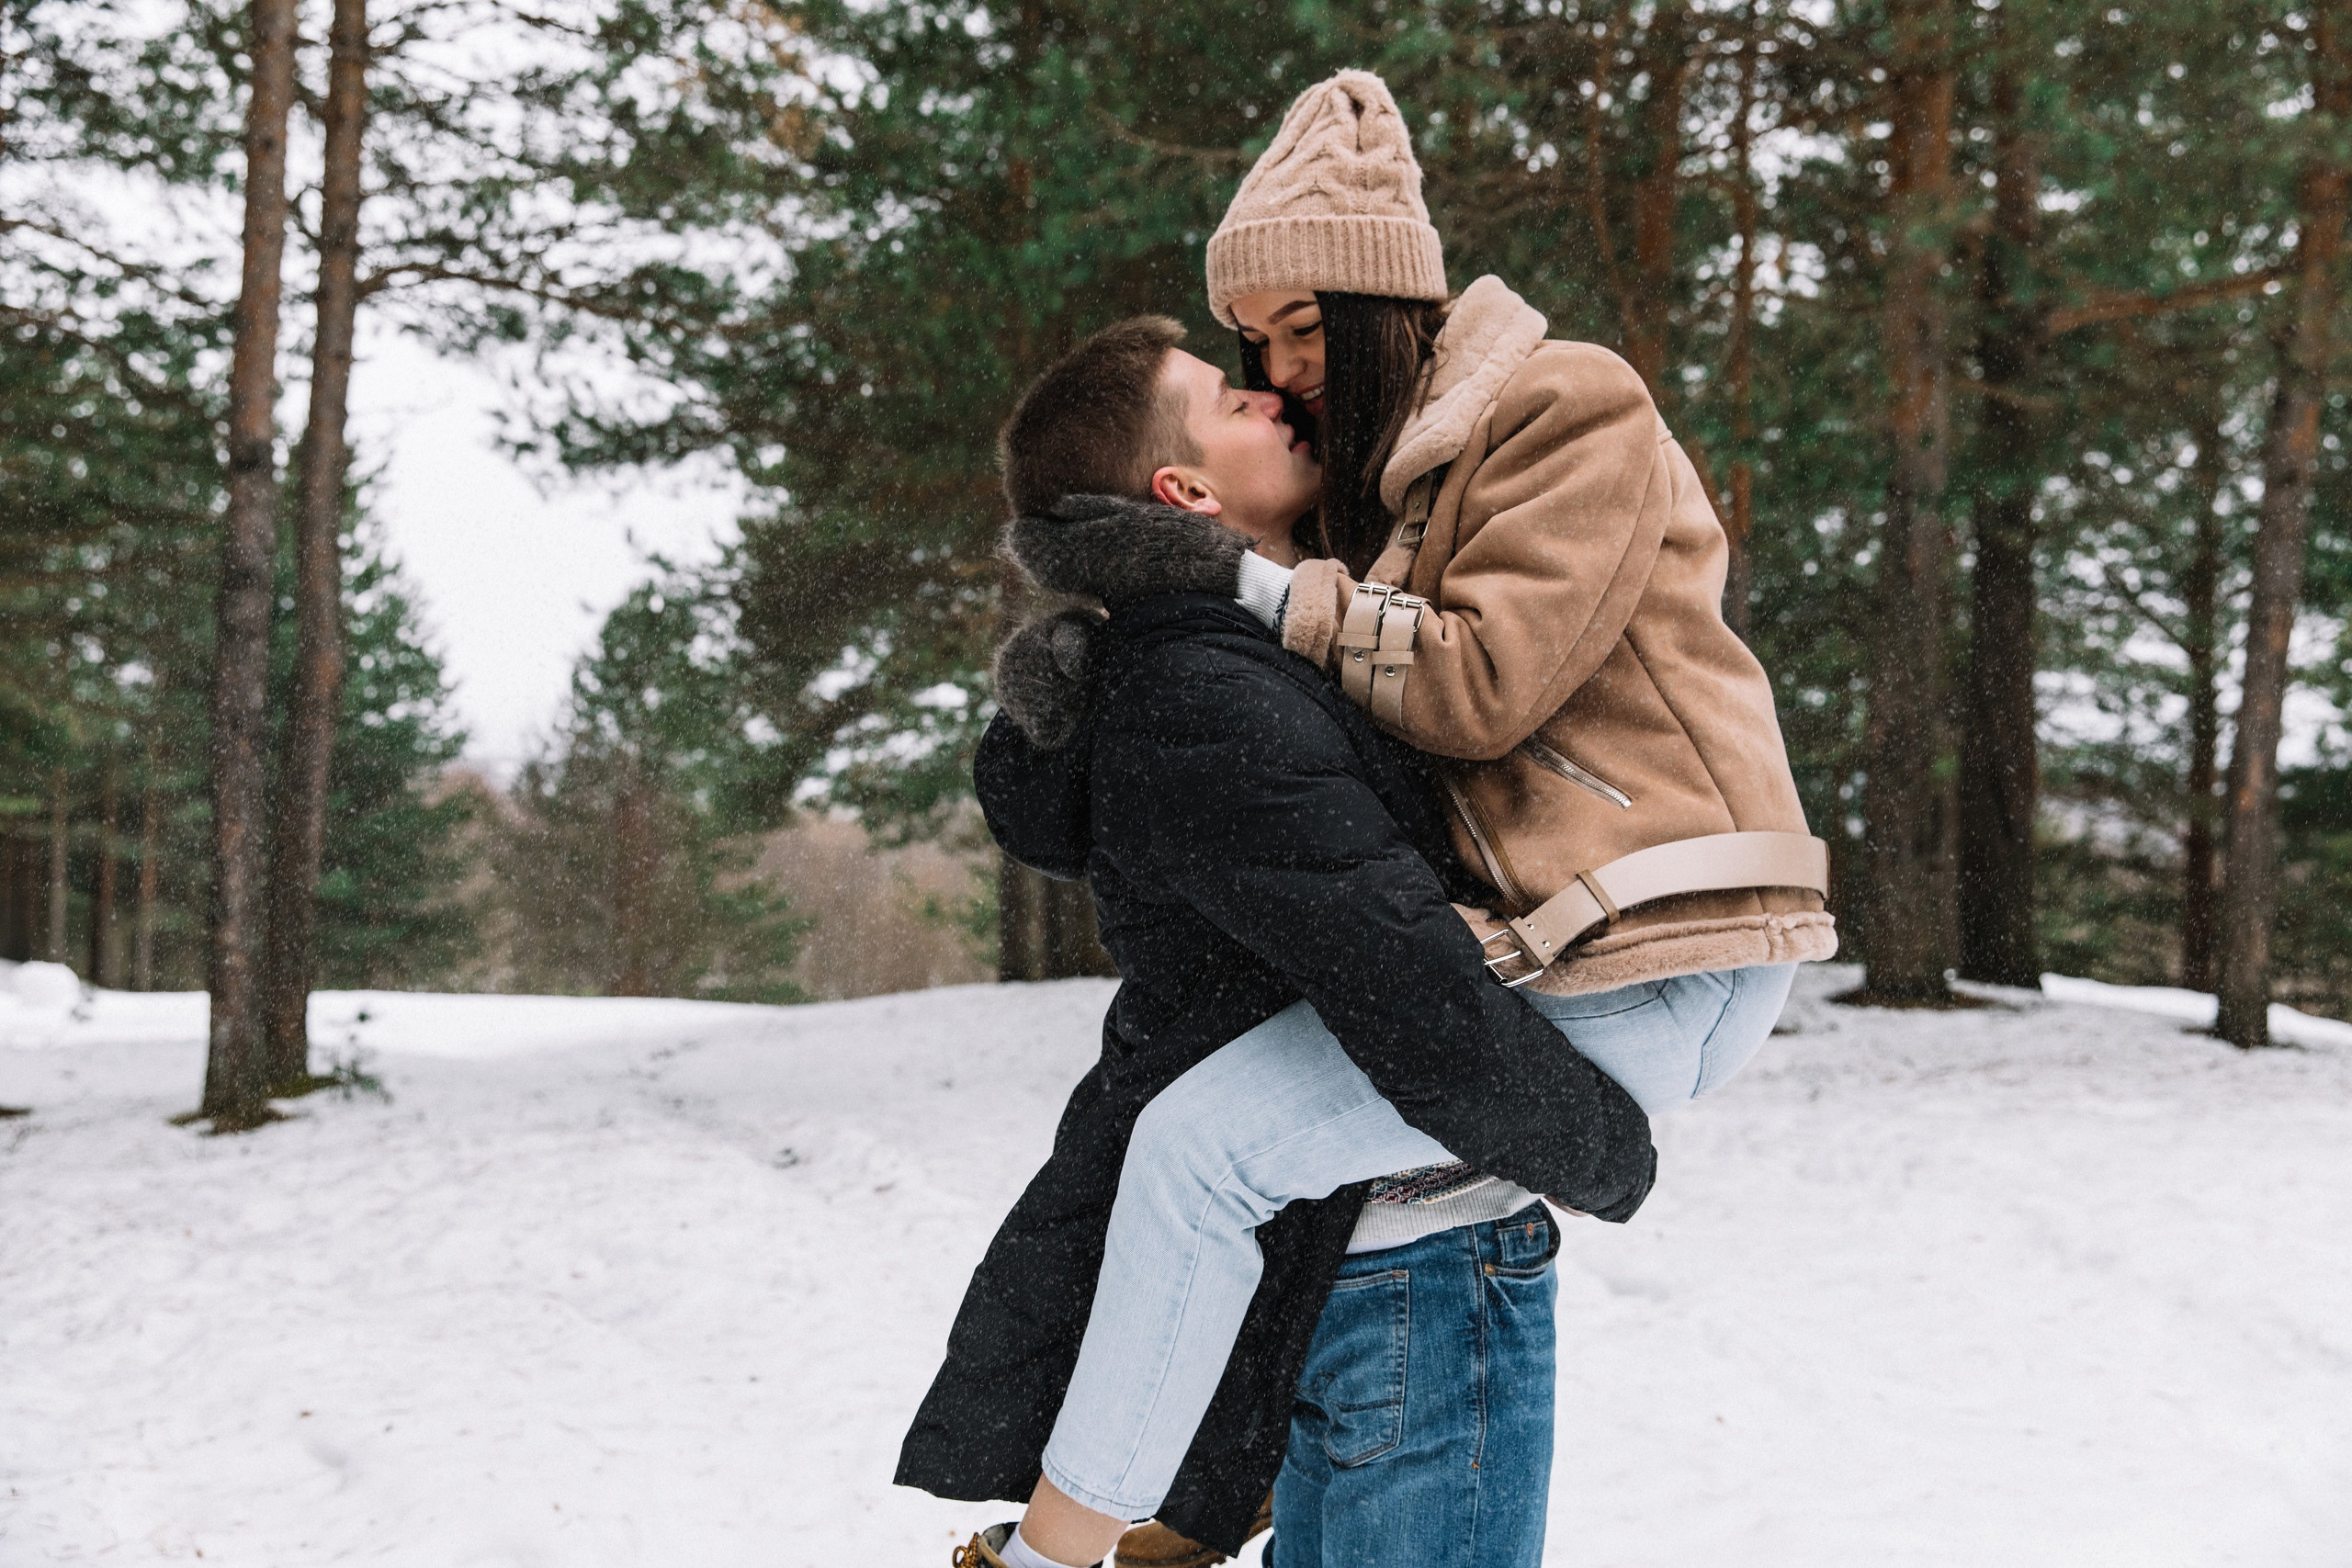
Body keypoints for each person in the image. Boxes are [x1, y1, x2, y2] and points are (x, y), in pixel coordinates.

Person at [933, 67, 1843, 1568]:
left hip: (1669, 930)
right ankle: (1153, 1519)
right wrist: (1089, 649)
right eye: (1253, 348)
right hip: (1554, 939)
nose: (1281, 375)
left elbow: (1476, 687)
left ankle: (1072, 1548)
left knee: (1203, 1156)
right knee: (1218, 1160)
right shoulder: (1380, 488)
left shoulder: (1569, 406)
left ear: (1386, 308)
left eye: (1304, 334)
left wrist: (1213, 576)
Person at [897, 319, 1657, 1567]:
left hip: (1342, 1266)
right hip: (1413, 1271)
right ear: (1183, 492)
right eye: (1229, 400)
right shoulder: (1207, 698)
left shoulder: (1249, 655)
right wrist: (1602, 1146)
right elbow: (1395, 970)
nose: (1273, 398)